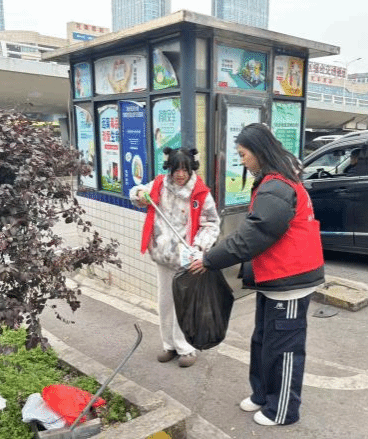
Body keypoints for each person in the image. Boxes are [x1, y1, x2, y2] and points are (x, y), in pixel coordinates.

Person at [189, 123, 325, 426]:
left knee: (284, 349)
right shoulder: (273, 181)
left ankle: (283, 409)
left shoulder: (277, 186)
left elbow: (256, 233)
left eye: (243, 154)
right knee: (264, 341)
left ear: (259, 151)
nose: (242, 161)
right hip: (275, 278)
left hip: (290, 280)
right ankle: (263, 394)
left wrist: (210, 259)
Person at [130, 147, 220, 367]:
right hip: (162, 255)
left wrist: (198, 246)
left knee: (185, 303)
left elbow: (211, 223)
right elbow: (137, 193)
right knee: (165, 302)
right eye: (176, 169)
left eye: (185, 169)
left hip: (186, 258)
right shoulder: (159, 184)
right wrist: (140, 194)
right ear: (169, 168)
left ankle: (186, 347)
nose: (180, 174)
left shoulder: (200, 192)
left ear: (191, 169)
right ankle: (169, 344)